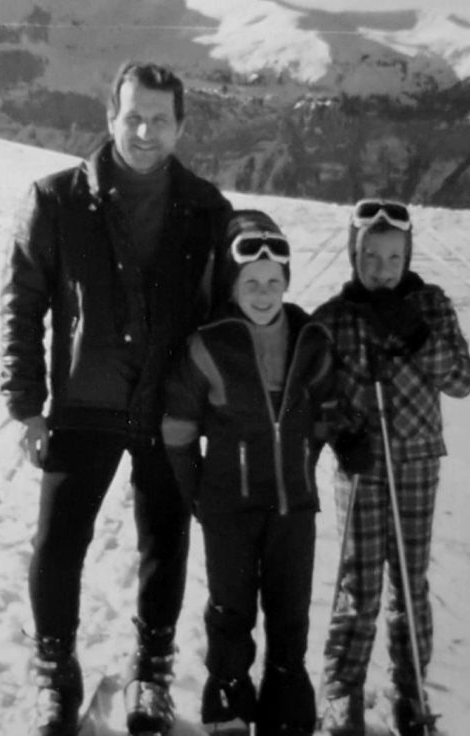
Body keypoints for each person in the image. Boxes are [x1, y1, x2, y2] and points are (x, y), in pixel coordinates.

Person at [0, 60, 232, 736]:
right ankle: (54, 674)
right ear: (109, 116)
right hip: (84, 403)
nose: (145, 131)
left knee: (165, 542)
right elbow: (24, 304)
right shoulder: (58, 200)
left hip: (171, 406)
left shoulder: (206, 209)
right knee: (57, 541)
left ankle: (152, 674)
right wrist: (26, 404)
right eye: (133, 115)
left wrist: (224, 411)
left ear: (181, 126)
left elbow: (222, 319)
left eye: (161, 119)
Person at [161, 210, 334, 736]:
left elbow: (326, 413)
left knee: (290, 609)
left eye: (273, 282)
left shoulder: (311, 341)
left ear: (287, 283)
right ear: (233, 286)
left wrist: (316, 454)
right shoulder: (209, 345)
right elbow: (178, 427)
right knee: (231, 607)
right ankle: (231, 698)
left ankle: (285, 697)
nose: (263, 293)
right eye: (251, 283)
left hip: (293, 509)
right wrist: (198, 491)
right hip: (228, 507)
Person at [311, 199, 470, 736]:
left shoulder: (430, 308)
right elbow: (314, 395)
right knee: (359, 584)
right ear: (352, 253)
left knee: (409, 579)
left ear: (408, 256)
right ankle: (342, 689)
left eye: (392, 257)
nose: (382, 269)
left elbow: (461, 380)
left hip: (416, 459)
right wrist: (340, 431)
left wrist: (416, 335)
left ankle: (411, 687)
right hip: (361, 466)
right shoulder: (334, 318)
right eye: (371, 256)